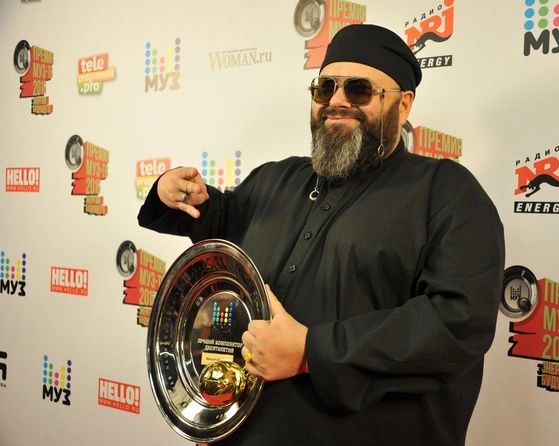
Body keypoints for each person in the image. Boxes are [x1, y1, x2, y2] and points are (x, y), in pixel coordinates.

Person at [138, 24, 505, 446]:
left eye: (359, 90)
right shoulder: (276, 178)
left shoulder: (447, 193)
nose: (337, 101)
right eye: (325, 88)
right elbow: (222, 221)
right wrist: (176, 194)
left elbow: (457, 323)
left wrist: (311, 351)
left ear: (403, 105)